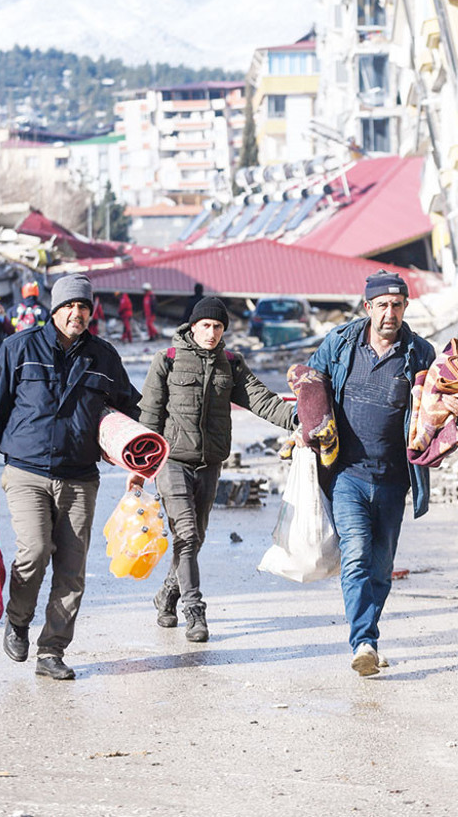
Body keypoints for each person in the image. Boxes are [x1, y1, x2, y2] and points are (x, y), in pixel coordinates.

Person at [0, 274, 141, 681]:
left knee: (72, 568)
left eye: (83, 307)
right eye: (69, 306)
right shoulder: (19, 348)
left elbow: (130, 409)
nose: (76, 313)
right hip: (25, 470)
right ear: (54, 309)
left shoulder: (103, 357)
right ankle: (19, 619)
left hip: (80, 476)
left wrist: (140, 457)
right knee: (35, 551)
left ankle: (52, 652)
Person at [130, 295, 296, 643]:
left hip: (210, 464)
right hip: (171, 461)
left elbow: (262, 400)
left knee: (194, 540)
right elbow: (148, 416)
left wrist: (298, 419)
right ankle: (195, 612)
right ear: (193, 326)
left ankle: (167, 595)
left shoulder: (231, 364)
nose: (212, 332)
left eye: (218, 326)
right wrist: (138, 466)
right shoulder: (168, 360)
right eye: (206, 325)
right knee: (187, 535)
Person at [307, 269, 436, 677]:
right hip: (347, 474)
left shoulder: (420, 354)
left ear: (405, 307)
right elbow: (310, 383)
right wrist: (305, 427)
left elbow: (444, 402)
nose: (389, 313)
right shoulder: (341, 344)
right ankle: (363, 641)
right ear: (368, 307)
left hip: (394, 478)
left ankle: (369, 633)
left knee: (382, 567)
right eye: (382, 305)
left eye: (397, 305)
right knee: (357, 553)